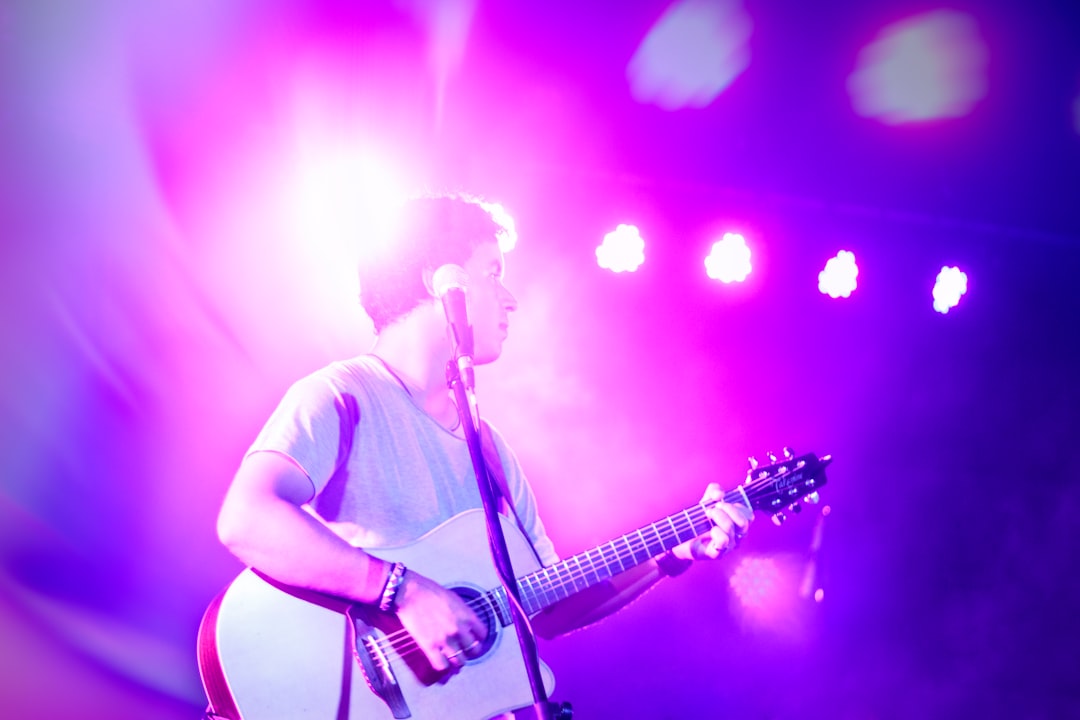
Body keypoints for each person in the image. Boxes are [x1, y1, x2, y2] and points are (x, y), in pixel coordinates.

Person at [214, 194, 753, 707]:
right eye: (493, 272)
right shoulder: (341, 394)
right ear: (439, 279)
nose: (511, 298)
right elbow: (245, 517)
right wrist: (401, 591)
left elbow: (546, 606)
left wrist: (673, 551)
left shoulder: (491, 451)